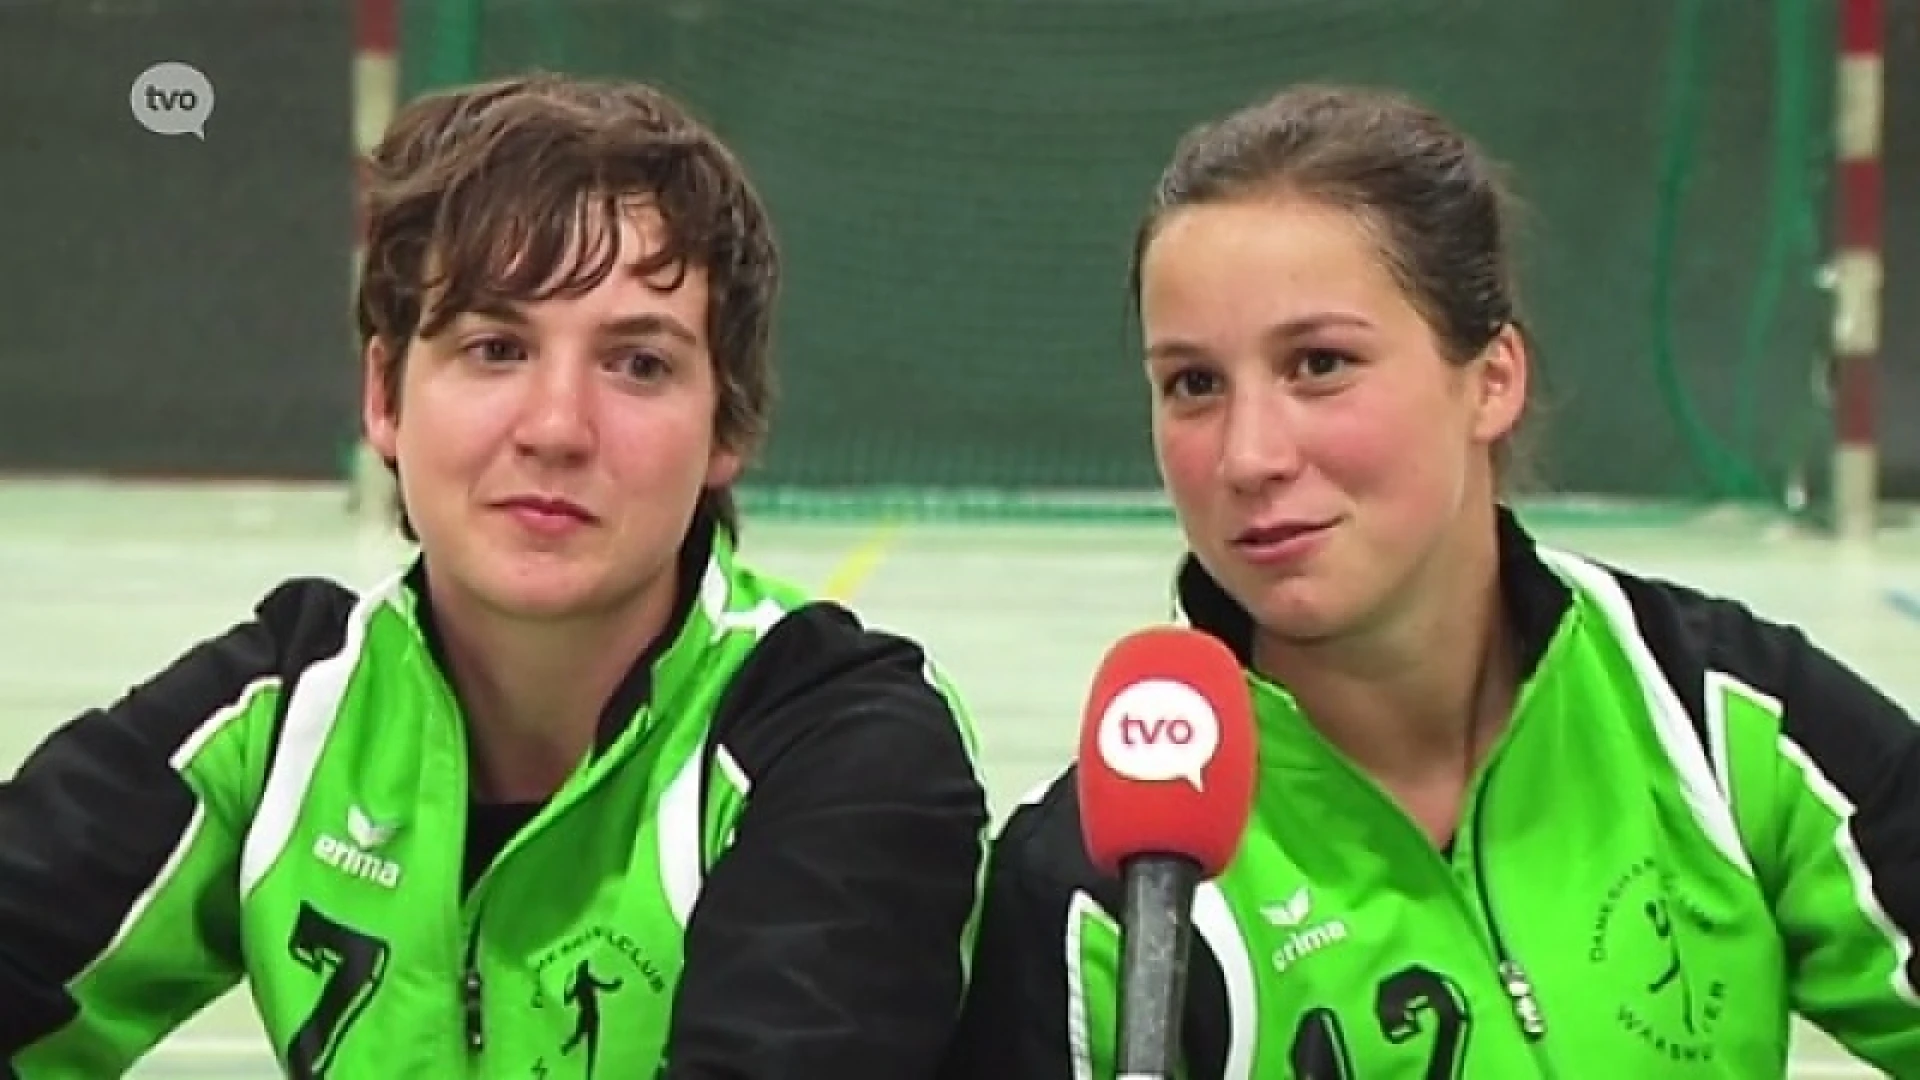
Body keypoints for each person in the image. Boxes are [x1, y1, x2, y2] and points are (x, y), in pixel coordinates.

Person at [0, 72, 991, 1078]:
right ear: (385, 396)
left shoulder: (843, 748)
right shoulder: (281, 715)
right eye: (495, 347)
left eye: (638, 364)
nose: (556, 428)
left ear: (726, 422)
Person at [940, 84, 1920, 1078]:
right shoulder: (1096, 895)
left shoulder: (1718, 717)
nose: (1248, 455)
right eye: (1193, 384)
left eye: (1320, 363)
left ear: (1492, 379)